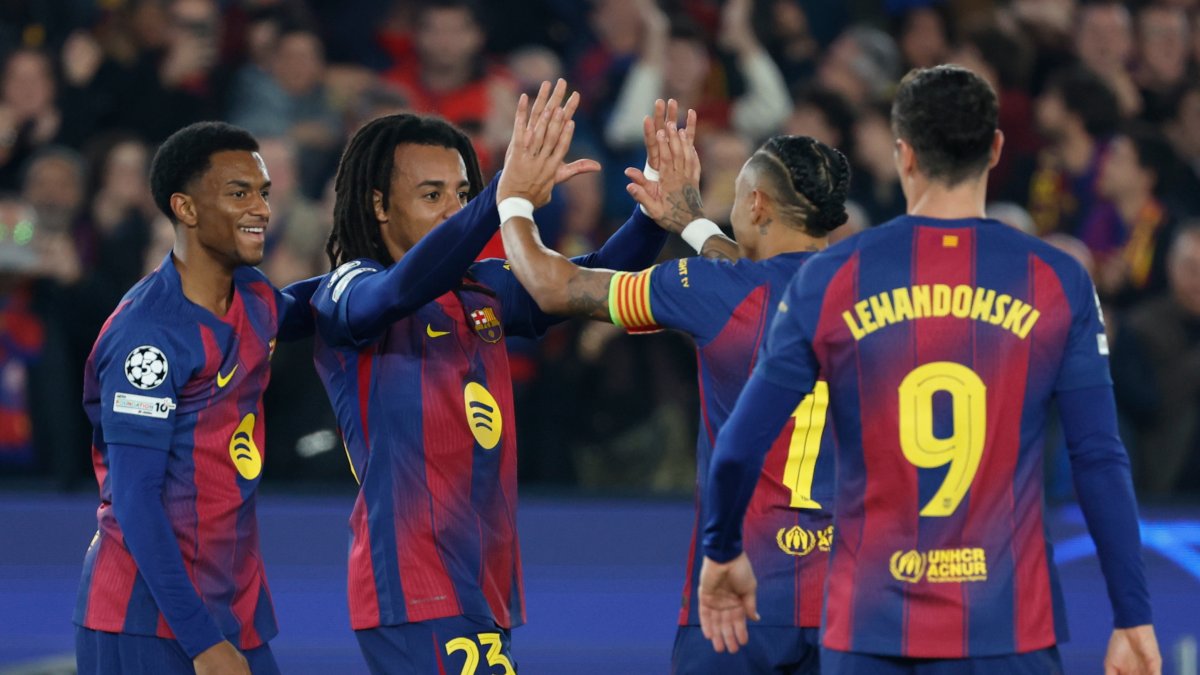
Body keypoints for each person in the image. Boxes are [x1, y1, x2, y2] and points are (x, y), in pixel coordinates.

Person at [699, 65, 1162, 675]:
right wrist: (1132, 615)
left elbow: (739, 445)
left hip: (868, 627)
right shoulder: (1058, 280)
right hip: (1007, 628)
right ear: (995, 149)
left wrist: (722, 550)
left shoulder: (831, 278)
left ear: (904, 154)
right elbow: (1099, 457)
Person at [308, 80, 667, 673]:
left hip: (482, 578)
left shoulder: (484, 288)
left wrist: (652, 215)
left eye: (463, 193)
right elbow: (396, 292)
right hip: (415, 578)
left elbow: (595, 276)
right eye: (431, 195)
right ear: (378, 205)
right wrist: (503, 195)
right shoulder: (346, 289)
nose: (454, 209)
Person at [498, 96, 850, 674]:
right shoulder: (875, 294)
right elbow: (768, 279)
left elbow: (550, 286)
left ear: (756, 204)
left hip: (738, 596)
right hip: (849, 600)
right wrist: (694, 223)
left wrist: (511, 198)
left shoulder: (708, 290)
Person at [74, 122, 319, 675]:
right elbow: (136, 499)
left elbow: (334, 306)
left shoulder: (253, 296)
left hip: (231, 607)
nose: (261, 209)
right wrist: (203, 642)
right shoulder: (148, 336)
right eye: (239, 193)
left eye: (263, 193)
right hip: (149, 620)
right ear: (185, 208)